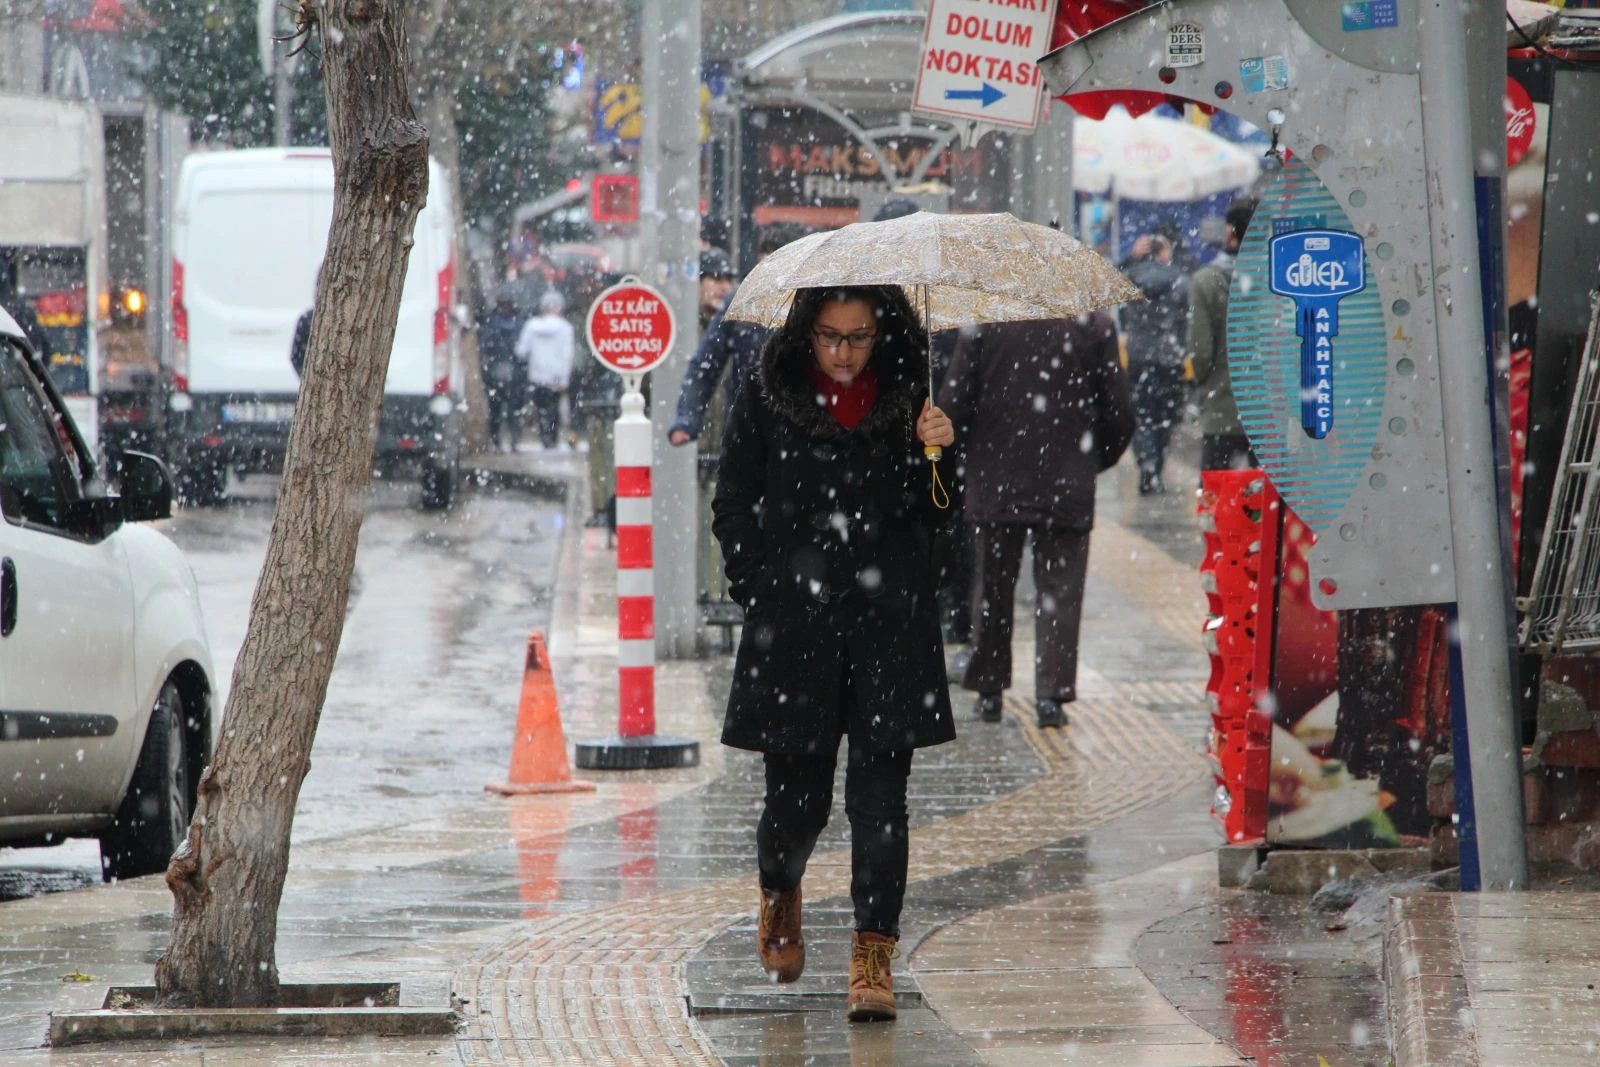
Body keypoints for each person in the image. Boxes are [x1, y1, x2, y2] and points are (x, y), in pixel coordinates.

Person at [712, 285, 956, 1023]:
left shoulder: (917, 397)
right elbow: (734, 499)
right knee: (797, 804)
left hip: (890, 627)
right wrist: (762, 586)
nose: (845, 353)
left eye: (859, 337)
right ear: (804, 333)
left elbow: (943, 520)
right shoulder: (767, 394)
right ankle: (779, 891)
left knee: (881, 805)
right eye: (830, 336)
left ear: (883, 333)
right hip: (796, 630)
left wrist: (936, 453)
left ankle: (872, 953)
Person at [939, 314, 1134, 728]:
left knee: (992, 584)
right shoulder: (1092, 323)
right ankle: (1051, 695)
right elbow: (1119, 411)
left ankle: (989, 688)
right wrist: (1091, 460)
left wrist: (968, 459)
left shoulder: (986, 318)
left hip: (996, 479)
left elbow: (953, 403)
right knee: (1060, 591)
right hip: (1066, 479)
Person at [668, 226, 805, 449]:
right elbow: (705, 365)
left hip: (798, 425)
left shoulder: (809, 305)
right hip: (748, 424)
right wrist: (688, 419)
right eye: (764, 261)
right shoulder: (742, 303)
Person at [1187, 197, 1259, 471]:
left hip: (1221, 410)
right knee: (1266, 502)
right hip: (1268, 417)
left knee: (1216, 498)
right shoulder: (1277, 279)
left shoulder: (1205, 282)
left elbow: (1200, 350)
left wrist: (1207, 383)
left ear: (1230, 232)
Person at [1121, 232, 1190, 493]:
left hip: (1139, 358)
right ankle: (1157, 467)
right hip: (1170, 359)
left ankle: (1146, 467)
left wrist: (1129, 258)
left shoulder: (1129, 278)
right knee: (1165, 417)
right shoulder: (1178, 279)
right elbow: (1187, 313)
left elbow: (1104, 281)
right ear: (1163, 253)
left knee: (1143, 417)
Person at [516, 290, 576, 450]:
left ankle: (545, 437)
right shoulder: (565, 328)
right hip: (557, 376)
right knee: (554, 409)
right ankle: (553, 438)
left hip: (537, 375)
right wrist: (564, 378)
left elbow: (521, 350)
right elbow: (567, 354)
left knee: (541, 408)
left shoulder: (531, 326)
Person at [479, 288, 526, 452]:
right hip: (506, 371)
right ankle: (504, 441)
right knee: (505, 410)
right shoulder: (515, 323)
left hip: (506, 371)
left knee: (502, 410)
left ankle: (502, 441)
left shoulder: (493, 323)